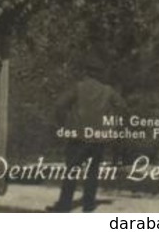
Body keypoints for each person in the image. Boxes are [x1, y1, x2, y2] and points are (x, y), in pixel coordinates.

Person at [48, 64, 125, 213]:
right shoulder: (108, 90)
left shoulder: (78, 87)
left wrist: (64, 124)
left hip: (78, 137)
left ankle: (64, 206)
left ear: (87, 73)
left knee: (71, 172)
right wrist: (111, 125)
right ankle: (88, 205)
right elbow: (122, 107)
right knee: (93, 173)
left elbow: (59, 105)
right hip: (98, 138)